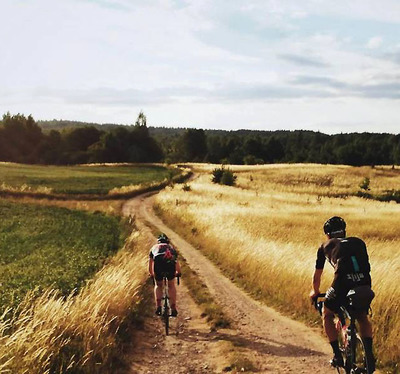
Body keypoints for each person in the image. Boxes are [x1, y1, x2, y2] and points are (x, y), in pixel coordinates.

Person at [310, 216, 376, 372]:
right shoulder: (359, 242)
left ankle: (337, 355)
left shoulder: (325, 246)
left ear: (327, 234)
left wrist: (315, 292)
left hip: (342, 282)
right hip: (364, 282)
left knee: (327, 312)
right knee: (361, 316)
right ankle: (369, 355)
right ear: (344, 231)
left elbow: (317, 276)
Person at [148, 233, 181, 317]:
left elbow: (151, 263)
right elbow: (176, 262)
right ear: (167, 241)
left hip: (158, 266)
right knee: (171, 285)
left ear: (158, 241)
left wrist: (152, 274)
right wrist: (178, 272)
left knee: (158, 285)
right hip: (170, 266)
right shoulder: (171, 248)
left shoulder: (154, 248)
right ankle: (173, 307)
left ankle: (158, 306)